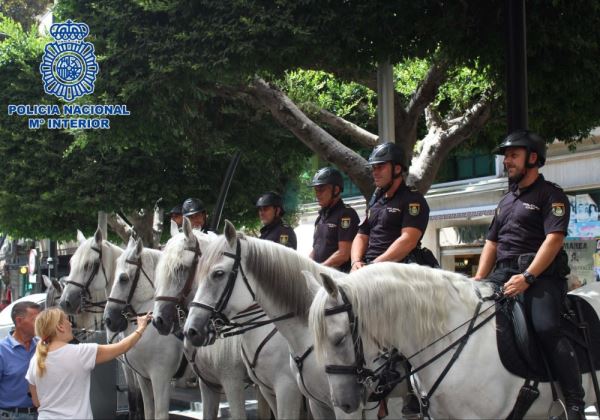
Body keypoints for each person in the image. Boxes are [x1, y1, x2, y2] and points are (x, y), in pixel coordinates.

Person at [474, 130, 585, 418]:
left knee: (546, 327)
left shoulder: (552, 195)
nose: (507, 161)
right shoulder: (505, 201)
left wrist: (528, 277)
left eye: (513, 155)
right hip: (501, 274)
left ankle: (574, 400)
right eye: (506, 156)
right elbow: (491, 243)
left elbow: (554, 240)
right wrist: (477, 279)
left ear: (533, 158)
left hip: (540, 277)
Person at [25, 308, 152, 419]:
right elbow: (121, 347)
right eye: (66, 320)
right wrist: (141, 328)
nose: (70, 323)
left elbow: (36, 402)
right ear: (60, 327)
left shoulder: (36, 359)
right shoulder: (80, 352)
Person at [351, 142, 432, 272]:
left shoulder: (413, 200)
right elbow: (361, 235)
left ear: (397, 169)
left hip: (396, 272)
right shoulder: (375, 201)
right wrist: (355, 262)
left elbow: (408, 240)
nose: (375, 172)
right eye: (374, 167)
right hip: (369, 268)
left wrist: (374, 265)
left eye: (381, 167)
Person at [308, 167, 359, 272]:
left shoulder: (346, 214)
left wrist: (319, 269)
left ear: (336, 190)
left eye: (321, 189)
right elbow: (315, 250)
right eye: (316, 190)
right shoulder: (320, 217)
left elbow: (343, 254)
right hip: (322, 274)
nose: (317, 194)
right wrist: (307, 264)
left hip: (338, 278)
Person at [0, 302, 41, 419]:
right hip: (11, 415)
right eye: (36, 320)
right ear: (19, 321)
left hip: (41, 414)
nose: (40, 324)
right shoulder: (2, 350)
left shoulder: (42, 347)